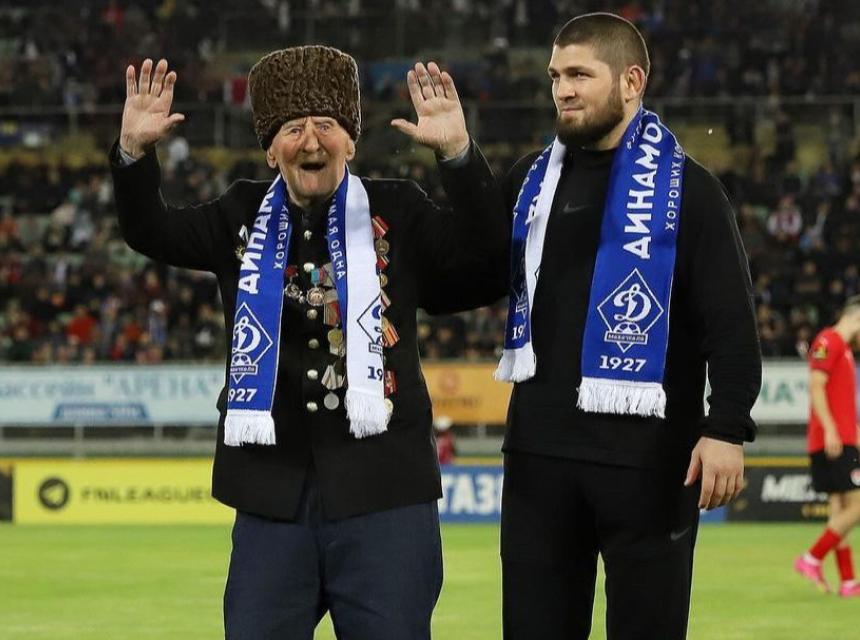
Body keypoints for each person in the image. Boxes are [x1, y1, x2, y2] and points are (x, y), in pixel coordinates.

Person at [110, 47, 505, 639]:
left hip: (385, 497)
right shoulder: (238, 213)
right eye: (293, 128)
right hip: (273, 501)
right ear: (271, 150)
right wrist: (133, 153)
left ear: (352, 142)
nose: (311, 141)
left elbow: (488, 256)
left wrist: (457, 156)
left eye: (327, 124)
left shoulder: (400, 210)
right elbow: (150, 229)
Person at [483, 13, 762, 639]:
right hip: (539, 461)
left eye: (579, 75)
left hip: (651, 466)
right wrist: (455, 159)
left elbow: (731, 325)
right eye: (555, 76)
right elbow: (470, 270)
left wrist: (727, 428)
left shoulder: (691, 193)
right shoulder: (531, 182)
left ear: (632, 81)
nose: (562, 90)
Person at [794, 297, 860, 597]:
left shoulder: (842, 348)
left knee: (840, 511)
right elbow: (816, 385)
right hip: (832, 440)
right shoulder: (828, 341)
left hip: (841, 438)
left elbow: (840, 401)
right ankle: (811, 558)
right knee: (855, 507)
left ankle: (848, 581)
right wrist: (832, 429)